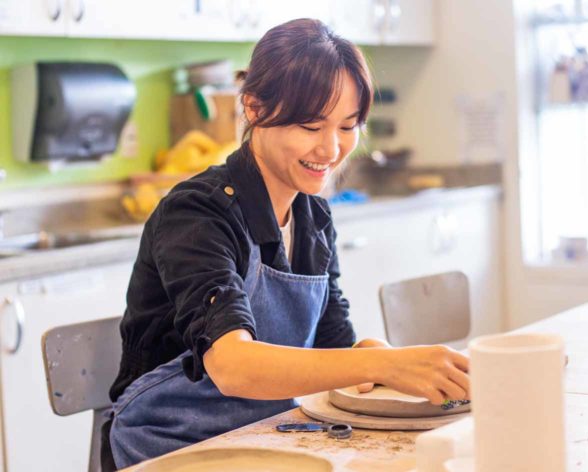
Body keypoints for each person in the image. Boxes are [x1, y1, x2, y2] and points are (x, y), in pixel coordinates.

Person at [105, 18, 470, 470]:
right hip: (171, 447)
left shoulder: (313, 218)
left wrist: (390, 359)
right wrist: (381, 368)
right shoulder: (197, 213)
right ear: (255, 109)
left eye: (347, 126)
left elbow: (335, 350)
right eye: (312, 126)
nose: (332, 149)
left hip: (267, 437)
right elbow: (232, 364)